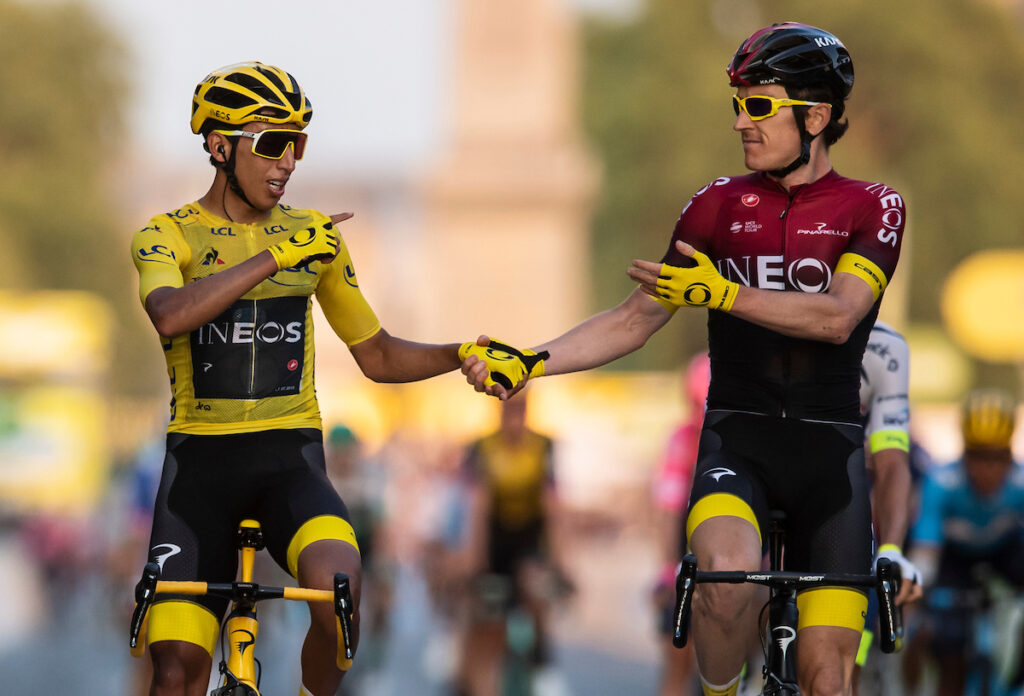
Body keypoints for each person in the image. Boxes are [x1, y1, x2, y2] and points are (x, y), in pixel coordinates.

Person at [462, 22, 911, 696]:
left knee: (829, 682)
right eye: (737, 104)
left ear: (816, 117)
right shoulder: (716, 205)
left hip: (831, 459)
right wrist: (530, 360)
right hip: (739, 443)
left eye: (758, 105)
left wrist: (723, 293)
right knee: (725, 586)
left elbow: (838, 315)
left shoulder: (873, 206)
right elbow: (633, 319)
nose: (740, 121)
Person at [129, 61, 526, 696]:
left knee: (341, 593)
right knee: (175, 670)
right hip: (198, 473)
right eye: (272, 143)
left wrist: (461, 352)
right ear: (219, 145)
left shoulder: (315, 239)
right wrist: (274, 258)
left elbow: (379, 355)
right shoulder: (167, 234)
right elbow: (170, 315)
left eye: (298, 144)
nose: (288, 161)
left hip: (289, 463)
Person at [453, 390, 572, 696]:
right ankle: (469, 673)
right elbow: (478, 509)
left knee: (536, 588)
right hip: (494, 538)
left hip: (529, 536)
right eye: (510, 410)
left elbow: (552, 506)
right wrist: (476, 563)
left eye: (521, 410)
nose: (515, 418)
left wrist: (561, 561)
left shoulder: (543, 445)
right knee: (486, 615)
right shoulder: (482, 447)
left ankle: (542, 661)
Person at [908, 388, 1024, 696]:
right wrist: (917, 595)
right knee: (949, 646)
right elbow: (925, 550)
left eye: (998, 458)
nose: (988, 469)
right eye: (978, 456)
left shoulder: (1020, 483)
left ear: (1010, 454)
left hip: (1005, 554)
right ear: (964, 453)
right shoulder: (941, 482)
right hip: (953, 560)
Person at [852, 320, 924, 694]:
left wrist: (892, 549)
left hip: (846, 519)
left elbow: (895, 466)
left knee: (845, 665)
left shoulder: (885, 350)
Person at [651, 353, 710, 696]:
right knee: (676, 661)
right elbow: (669, 511)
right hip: (685, 555)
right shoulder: (681, 439)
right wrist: (666, 570)